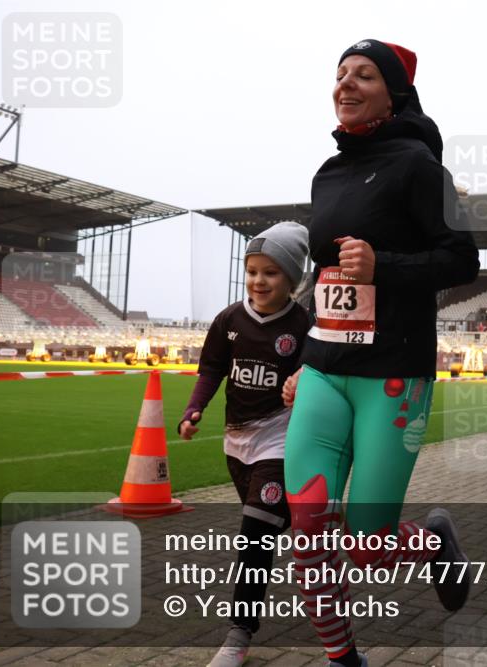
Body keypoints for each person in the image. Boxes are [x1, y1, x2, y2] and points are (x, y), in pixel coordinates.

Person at [281, 39, 479, 667]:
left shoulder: (421, 167)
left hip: (393, 375)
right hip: (324, 371)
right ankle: (344, 660)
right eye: (339, 75)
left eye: (363, 75)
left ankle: (432, 542)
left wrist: (383, 266)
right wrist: (304, 355)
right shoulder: (327, 172)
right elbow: (329, 279)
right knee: (307, 531)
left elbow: (462, 260)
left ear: (393, 92)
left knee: (367, 544)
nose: (346, 84)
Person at [178, 222, 311, 667]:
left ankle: (238, 634)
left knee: (255, 537)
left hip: (279, 442)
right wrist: (193, 410)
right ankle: (325, 538)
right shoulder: (228, 319)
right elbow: (211, 370)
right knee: (278, 528)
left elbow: (318, 374)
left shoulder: (304, 326)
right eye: (252, 270)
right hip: (235, 445)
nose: (258, 280)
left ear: (292, 278)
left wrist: (302, 377)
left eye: (271, 272)